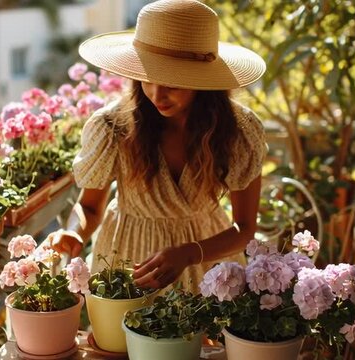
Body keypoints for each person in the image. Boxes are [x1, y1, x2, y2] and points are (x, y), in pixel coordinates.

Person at [47, 0, 267, 291]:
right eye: (146, 78)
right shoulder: (113, 127)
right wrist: (74, 232)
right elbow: (89, 207)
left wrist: (189, 253)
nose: (155, 94)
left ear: (202, 81)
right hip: (128, 263)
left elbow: (245, 229)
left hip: (208, 264)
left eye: (172, 83)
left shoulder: (238, 131)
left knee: (208, 335)